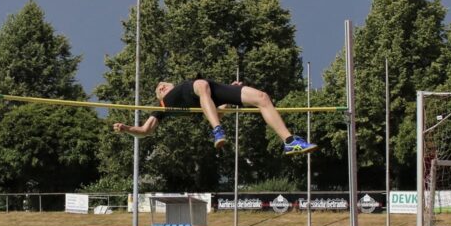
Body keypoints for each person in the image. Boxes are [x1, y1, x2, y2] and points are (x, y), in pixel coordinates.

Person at [113, 78, 317, 154]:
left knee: (262, 98)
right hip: (200, 87)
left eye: (164, 84)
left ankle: (289, 141)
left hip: (213, 90)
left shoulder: (196, 93)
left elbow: (216, 108)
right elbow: (146, 131)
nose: (161, 86)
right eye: (159, 88)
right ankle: (217, 131)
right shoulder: (164, 104)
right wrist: (126, 129)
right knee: (200, 84)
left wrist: (229, 93)